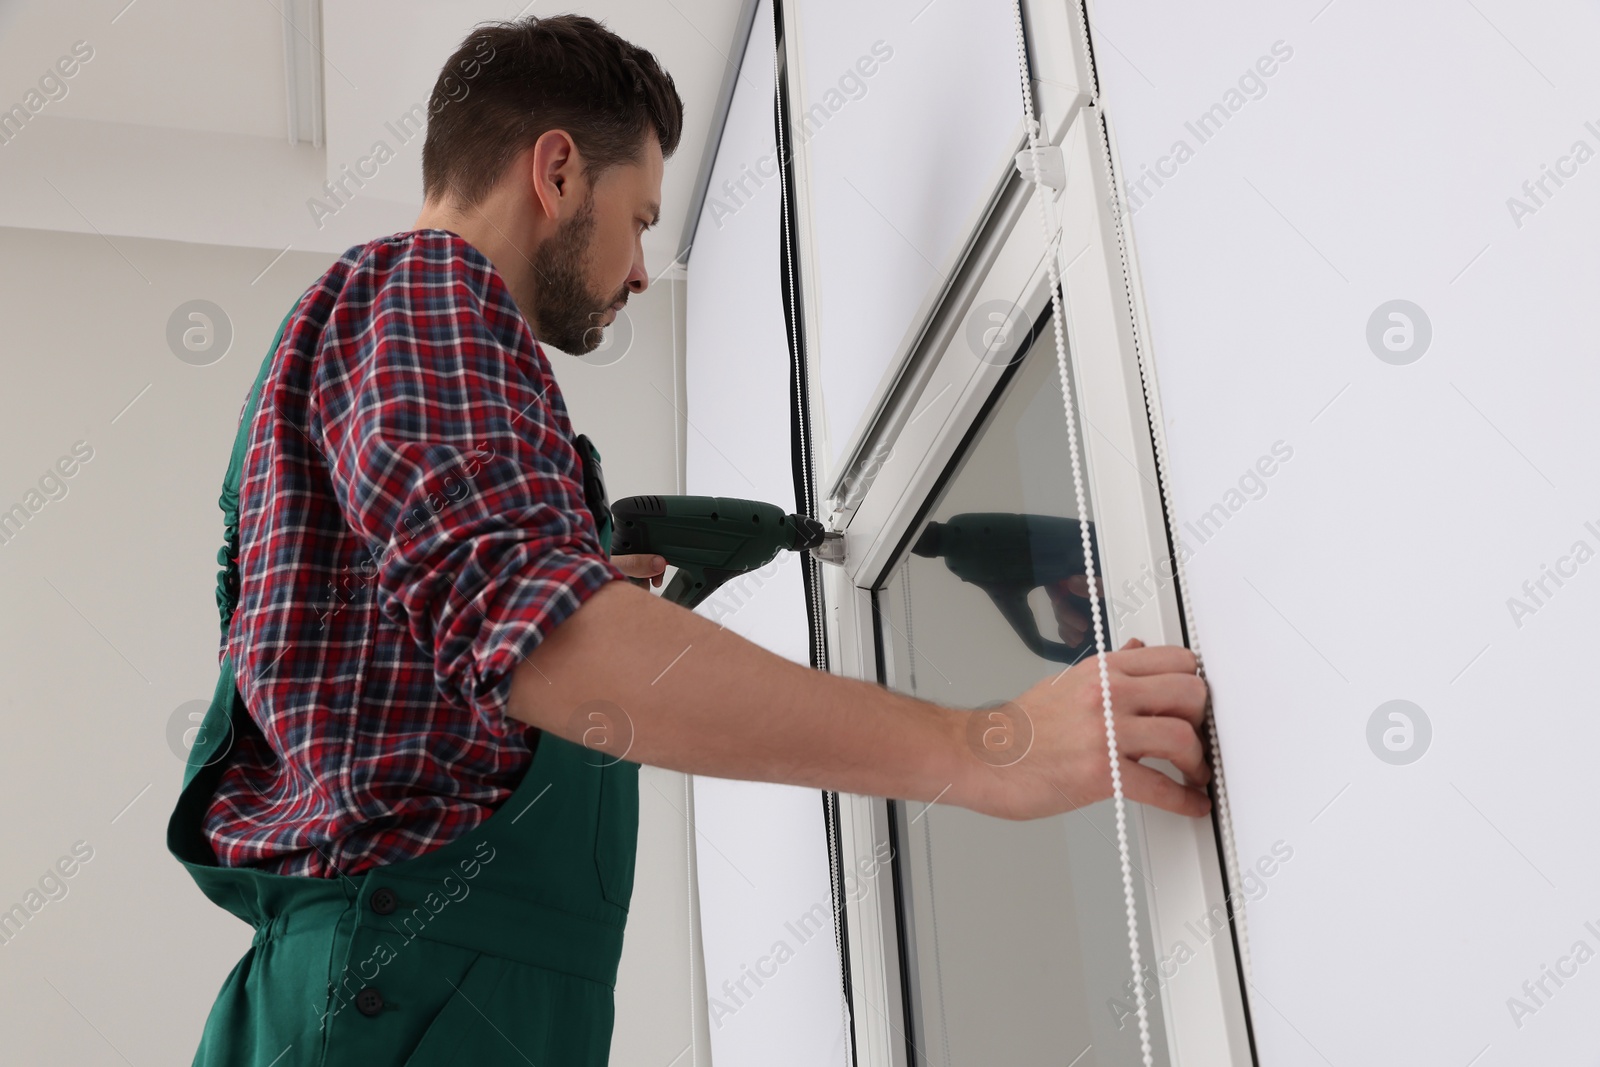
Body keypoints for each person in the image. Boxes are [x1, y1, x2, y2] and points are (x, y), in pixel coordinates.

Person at [167, 13, 1212, 1066]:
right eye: (641, 217)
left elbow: (453, 643)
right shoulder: (432, 292)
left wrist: (578, 581)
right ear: (558, 171)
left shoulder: (354, 334)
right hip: (411, 984)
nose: (635, 272)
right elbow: (547, 643)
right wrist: (983, 748)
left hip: (409, 985)